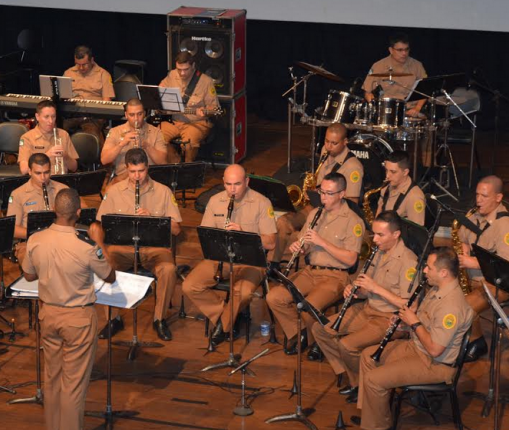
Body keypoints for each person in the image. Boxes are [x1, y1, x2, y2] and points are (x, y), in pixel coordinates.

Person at [21, 187, 114, 430]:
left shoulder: (36, 239)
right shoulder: (85, 245)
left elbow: (28, 274)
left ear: (54, 211)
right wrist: (99, 242)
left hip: (48, 315)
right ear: (78, 213)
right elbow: (109, 275)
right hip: (77, 319)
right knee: (73, 386)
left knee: (52, 380)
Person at [350, 247, 473, 430]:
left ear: (443, 272)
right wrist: (405, 324)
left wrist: (413, 322)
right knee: (368, 356)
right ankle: (373, 415)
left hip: (434, 363)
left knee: (374, 379)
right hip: (417, 346)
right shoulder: (437, 289)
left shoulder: (451, 306)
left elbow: (435, 349)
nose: (424, 271)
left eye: (429, 268)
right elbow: (425, 323)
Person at [311, 211, 418, 397]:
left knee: (347, 345)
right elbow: (366, 287)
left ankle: (365, 385)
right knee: (320, 330)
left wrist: (375, 288)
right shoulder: (378, 252)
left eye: (380, 235)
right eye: (374, 234)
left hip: (388, 318)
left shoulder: (409, 261)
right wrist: (356, 290)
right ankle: (353, 377)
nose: (374, 239)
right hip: (367, 308)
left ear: (396, 234)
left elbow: (408, 304)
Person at [265, 172, 364, 355]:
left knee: (307, 307)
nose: (323, 197)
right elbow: (305, 243)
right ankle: (302, 333)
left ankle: (317, 338)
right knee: (274, 297)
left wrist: (323, 243)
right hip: (310, 272)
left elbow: (351, 259)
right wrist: (300, 247)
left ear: (342, 194)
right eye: (321, 192)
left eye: (329, 193)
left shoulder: (353, 222)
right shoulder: (314, 214)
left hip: (335, 276)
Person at [91, 149, 182, 341]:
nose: (137, 176)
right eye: (132, 172)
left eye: (141, 171)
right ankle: (113, 319)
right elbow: (99, 225)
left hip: (154, 249)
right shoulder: (114, 191)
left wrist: (154, 219)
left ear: (147, 168)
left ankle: (159, 319)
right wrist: (103, 249)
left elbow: (176, 230)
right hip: (122, 249)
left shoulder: (164, 191)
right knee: (103, 265)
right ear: (126, 169)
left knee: (168, 270)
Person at [182, 164, 277, 347]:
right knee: (189, 285)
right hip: (221, 259)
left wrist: (244, 234)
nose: (232, 189)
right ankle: (227, 317)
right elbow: (207, 235)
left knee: (244, 293)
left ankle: (223, 326)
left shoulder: (262, 202)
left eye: (237, 184)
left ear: (247, 182)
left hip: (251, 262)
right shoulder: (215, 201)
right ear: (223, 182)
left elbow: (271, 242)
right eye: (228, 184)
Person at [271, 123, 363, 263]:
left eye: (334, 143)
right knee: (283, 222)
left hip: (333, 214)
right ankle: (274, 264)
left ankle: (297, 259)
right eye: (327, 141)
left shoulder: (353, 167)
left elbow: (352, 204)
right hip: (314, 207)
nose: (329, 146)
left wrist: (327, 197)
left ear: (345, 142)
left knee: (302, 237)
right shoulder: (325, 151)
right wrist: (314, 191)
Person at [457, 175, 509, 362]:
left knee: (463, 307)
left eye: (484, 196)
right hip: (472, 277)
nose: (478, 200)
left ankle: (477, 341)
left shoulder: (507, 227)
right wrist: (464, 250)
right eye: (477, 195)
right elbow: (462, 238)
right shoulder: (475, 215)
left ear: (498, 198)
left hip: (497, 284)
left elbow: (507, 266)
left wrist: (472, 263)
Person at [8, 153, 70, 263]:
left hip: (60, 240)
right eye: (38, 173)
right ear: (29, 171)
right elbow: (12, 229)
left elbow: (75, 216)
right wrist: (39, 234)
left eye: (46, 172)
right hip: (30, 242)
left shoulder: (62, 189)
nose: (43, 178)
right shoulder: (17, 194)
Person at [158, 51, 219, 163]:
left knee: (189, 144)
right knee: (156, 136)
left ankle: (188, 167)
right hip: (175, 122)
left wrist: (206, 111)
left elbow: (215, 109)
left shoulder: (206, 81)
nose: (182, 73)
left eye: (185, 69)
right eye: (179, 69)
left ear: (193, 65)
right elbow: (159, 92)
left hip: (197, 123)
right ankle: (175, 164)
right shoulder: (172, 75)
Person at [100, 98, 167, 184]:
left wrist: (146, 145)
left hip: (149, 179)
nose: (136, 118)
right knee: (109, 191)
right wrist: (121, 144)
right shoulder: (115, 132)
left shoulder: (156, 132)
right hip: (122, 179)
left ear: (144, 113)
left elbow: (162, 162)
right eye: (132, 115)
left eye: (139, 114)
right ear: (126, 115)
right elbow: (104, 160)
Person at [362, 33, 427, 117]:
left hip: (411, 111)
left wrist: (417, 108)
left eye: (406, 49)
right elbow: (367, 92)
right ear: (391, 50)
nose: (404, 53)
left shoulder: (417, 65)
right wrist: (375, 105)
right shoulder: (378, 66)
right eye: (400, 50)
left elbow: (425, 91)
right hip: (387, 110)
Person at [61, 45, 114, 142]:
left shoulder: (103, 74)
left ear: (92, 60)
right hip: (72, 115)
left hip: (93, 117)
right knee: (56, 129)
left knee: (91, 135)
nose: (81, 68)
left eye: (84, 64)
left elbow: (107, 103)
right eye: (78, 64)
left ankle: (95, 151)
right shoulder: (68, 73)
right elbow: (62, 97)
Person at [17, 100, 78, 175]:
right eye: (46, 117)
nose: (51, 121)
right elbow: (24, 170)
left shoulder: (64, 134)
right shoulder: (27, 138)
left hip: (61, 179)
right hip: (40, 180)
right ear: (37, 117)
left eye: (53, 116)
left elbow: (74, 168)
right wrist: (46, 156)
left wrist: (65, 156)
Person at [375, 151, 426, 225]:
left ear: (405, 172)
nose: (387, 176)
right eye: (386, 170)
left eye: (393, 172)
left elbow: (416, 231)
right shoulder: (386, 186)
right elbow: (379, 213)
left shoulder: (414, 197)